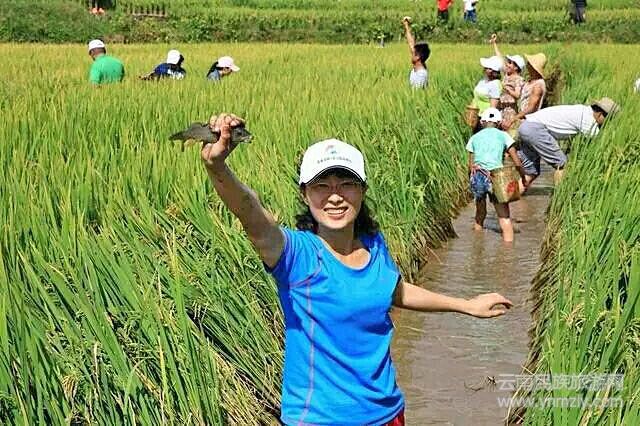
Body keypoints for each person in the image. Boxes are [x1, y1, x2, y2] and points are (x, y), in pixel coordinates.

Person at [201, 113, 513, 425]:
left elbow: (395, 291)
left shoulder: (373, 244)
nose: (335, 196)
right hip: (321, 419)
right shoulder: (298, 256)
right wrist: (218, 168)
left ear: (362, 190)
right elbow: (250, 212)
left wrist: (466, 305)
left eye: (347, 184)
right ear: (304, 194)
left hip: (388, 412)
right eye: (322, 186)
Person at [517, 97, 619, 189]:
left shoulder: (582, 110)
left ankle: (511, 198)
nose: (608, 123)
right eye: (608, 119)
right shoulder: (589, 120)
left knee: (531, 173)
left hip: (525, 125)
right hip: (535, 129)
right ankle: (558, 199)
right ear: (600, 114)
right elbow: (600, 144)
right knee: (562, 164)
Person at [467, 108, 526, 242]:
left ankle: (477, 245)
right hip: (497, 176)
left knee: (480, 214)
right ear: (499, 123)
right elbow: (517, 162)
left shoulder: (474, 138)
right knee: (504, 217)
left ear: (482, 122)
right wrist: (523, 178)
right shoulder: (504, 136)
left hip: (479, 176)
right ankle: (508, 250)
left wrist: (471, 180)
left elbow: (470, 166)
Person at [502, 53, 547, 130]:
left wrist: (513, 119)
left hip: (528, 120)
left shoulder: (538, 85)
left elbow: (531, 108)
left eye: (529, 64)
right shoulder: (530, 81)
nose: (527, 65)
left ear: (533, 67)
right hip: (522, 118)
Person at [489, 34, 525, 124]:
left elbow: (517, 95)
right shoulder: (506, 74)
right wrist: (494, 43)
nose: (507, 64)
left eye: (510, 63)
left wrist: (506, 88)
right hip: (500, 108)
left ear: (516, 67)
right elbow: (499, 58)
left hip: (510, 112)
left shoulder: (519, 79)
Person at [402, 17, 430, 89]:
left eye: (414, 53)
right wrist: (406, 26)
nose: (412, 53)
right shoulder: (419, 65)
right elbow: (411, 44)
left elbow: (417, 94)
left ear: (418, 57)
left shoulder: (421, 75)